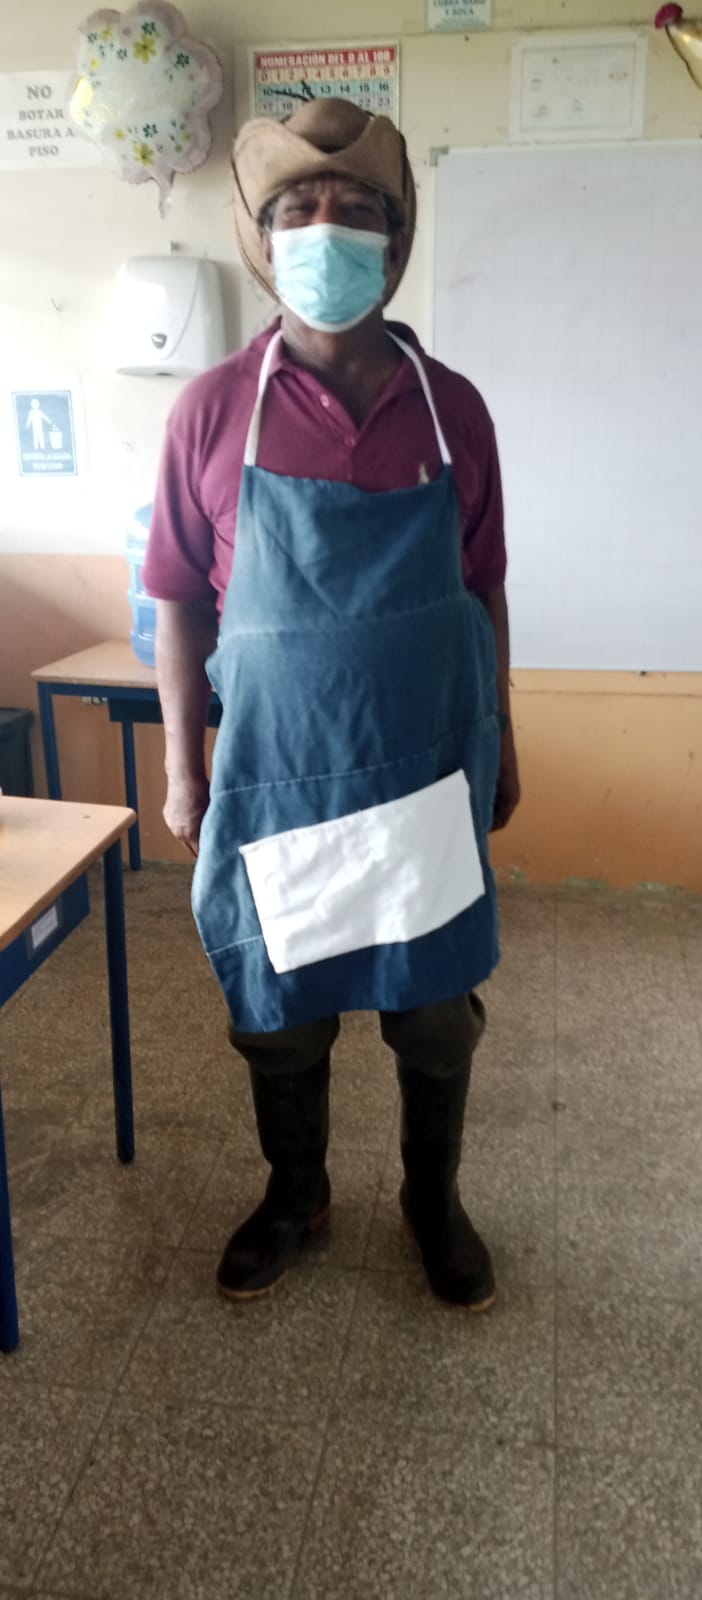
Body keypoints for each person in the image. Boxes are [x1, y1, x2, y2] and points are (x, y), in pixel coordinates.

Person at [143, 98, 520, 1313]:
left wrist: (505, 737)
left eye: (357, 209)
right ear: (261, 241)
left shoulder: (452, 409)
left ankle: (431, 1200)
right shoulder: (211, 411)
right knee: (281, 1014)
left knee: (434, 1012)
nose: (326, 228)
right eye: (298, 209)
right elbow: (176, 601)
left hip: (425, 776)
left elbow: (484, 588)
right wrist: (184, 769)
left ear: (396, 241)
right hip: (279, 778)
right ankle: (295, 1193)